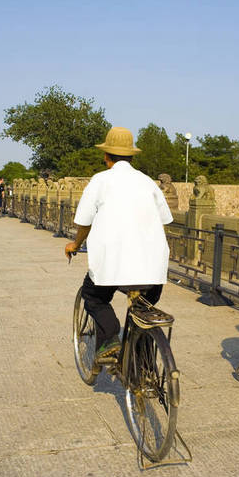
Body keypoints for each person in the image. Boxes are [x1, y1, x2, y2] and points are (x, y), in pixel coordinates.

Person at [64, 126, 173, 360]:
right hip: (152, 269)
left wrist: (75, 244)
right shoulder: (147, 182)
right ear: (132, 155)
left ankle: (111, 336)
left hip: (113, 263)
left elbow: (84, 221)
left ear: (106, 156)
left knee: (93, 296)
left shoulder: (100, 181)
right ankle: (142, 363)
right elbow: (165, 219)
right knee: (142, 308)